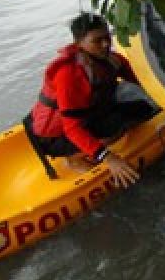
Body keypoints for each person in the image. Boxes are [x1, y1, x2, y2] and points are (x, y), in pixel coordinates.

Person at [27, 13, 157, 188]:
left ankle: (95, 143)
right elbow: (72, 128)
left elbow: (139, 81)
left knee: (141, 109)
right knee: (118, 123)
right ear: (79, 43)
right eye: (97, 41)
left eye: (107, 38)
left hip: (88, 114)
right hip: (55, 136)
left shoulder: (111, 60)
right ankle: (73, 158)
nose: (105, 44)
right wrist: (110, 159)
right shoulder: (69, 75)